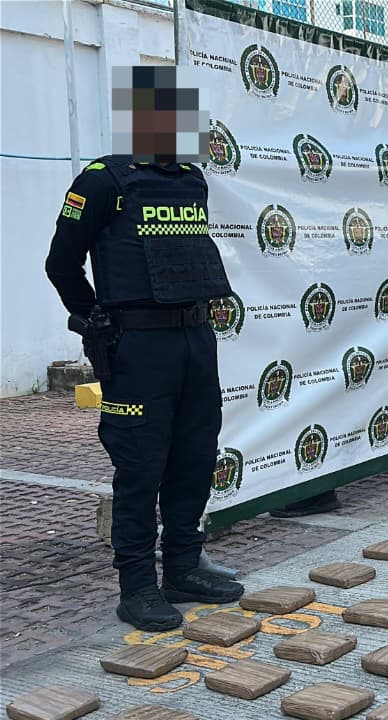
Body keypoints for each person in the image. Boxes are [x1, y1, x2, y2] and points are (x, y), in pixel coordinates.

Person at [45, 66, 243, 631]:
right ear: (140, 120)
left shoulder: (189, 179)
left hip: (194, 339)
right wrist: (95, 323)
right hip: (137, 347)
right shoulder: (102, 180)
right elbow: (61, 264)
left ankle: (184, 565)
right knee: (140, 465)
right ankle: (136, 585)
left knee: (194, 457)